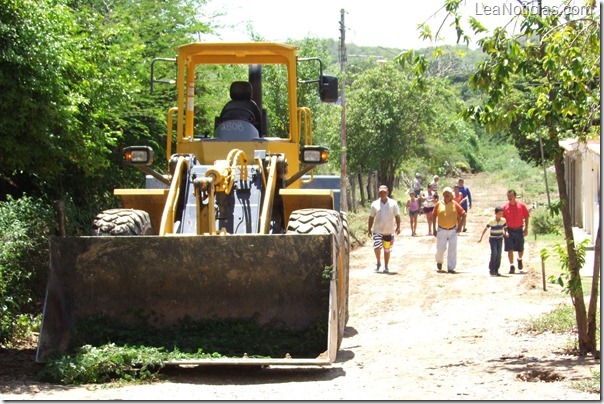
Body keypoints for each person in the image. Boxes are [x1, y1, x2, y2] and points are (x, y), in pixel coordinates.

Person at [432, 187, 466, 273]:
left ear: (451, 196)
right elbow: (433, 215)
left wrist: (460, 226)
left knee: (452, 249)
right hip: (441, 230)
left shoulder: (455, 204)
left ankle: (451, 268)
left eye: (449, 194)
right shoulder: (439, 204)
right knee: (441, 248)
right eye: (445, 194)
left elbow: (463, 214)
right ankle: (439, 261)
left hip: (453, 230)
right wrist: (434, 229)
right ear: (443, 195)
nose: (447, 196)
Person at [368, 185, 401, 273]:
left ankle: (386, 266)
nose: (383, 194)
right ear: (379, 193)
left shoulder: (393, 203)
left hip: (388, 231)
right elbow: (371, 217)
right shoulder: (374, 204)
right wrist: (369, 229)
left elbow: (397, 215)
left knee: (387, 249)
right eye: (381, 192)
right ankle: (378, 262)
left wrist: (398, 227)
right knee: (377, 246)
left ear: (387, 193)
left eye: (384, 192)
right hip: (377, 230)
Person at [502, 189, 530, 274]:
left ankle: (519, 259)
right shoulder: (505, 207)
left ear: (515, 196)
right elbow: (503, 220)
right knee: (510, 248)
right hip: (509, 230)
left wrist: (526, 228)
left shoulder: (521, 205)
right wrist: (505, 231)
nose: (509, 198)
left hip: (519, 229)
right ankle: (512, 265)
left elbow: (526, 216)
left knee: (520, 249)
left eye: (511, 196)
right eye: (508, 196)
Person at [478, 206, 508, 276]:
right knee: (494, 253)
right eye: (499, 213)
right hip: (493, 239)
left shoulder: (503, 220)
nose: (501, 215)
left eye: (501, 214)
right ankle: (491, 269)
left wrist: (506, 232)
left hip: (500, 238)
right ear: (496, 213)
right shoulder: (491, 221)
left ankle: (496, 269)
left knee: (499, 254)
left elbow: (505, 227)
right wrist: (481, 237)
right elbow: (485, 229)